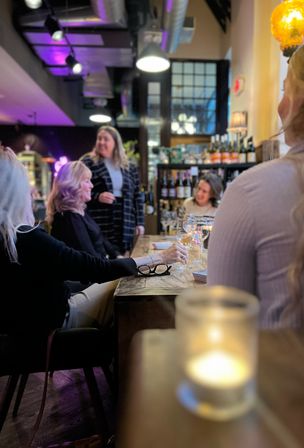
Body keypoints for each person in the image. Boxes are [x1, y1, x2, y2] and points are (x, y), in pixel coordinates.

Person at [208, 25, 304, 328]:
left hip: (282, 375)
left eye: (285, 89)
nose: (280, 106)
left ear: (298, 102)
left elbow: (224, 331)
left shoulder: (251, 192)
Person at [0, 147, 187, 335]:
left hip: (39, 320)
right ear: (16, 192)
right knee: (129, 288)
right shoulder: (31, 235)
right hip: (58, 322)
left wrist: (128, 259)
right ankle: (134, 356)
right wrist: (160, 257)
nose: (32, 193)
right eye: (27, 188)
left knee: (126, 280)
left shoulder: (10, 236)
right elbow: (93, 267)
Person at [81, 126, 144, 255]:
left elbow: (138, 196)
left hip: (126, 218)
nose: (101, 142)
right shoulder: (87, 162)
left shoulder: (129, 166)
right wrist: (98, 196)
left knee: (123, 255)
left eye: (106, 139)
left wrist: (140, 223)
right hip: (99, 217)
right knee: (101, 254)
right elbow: (77, 190)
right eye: (99, 139)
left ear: (116, 143)